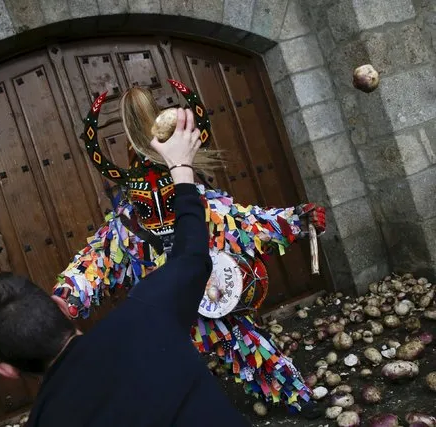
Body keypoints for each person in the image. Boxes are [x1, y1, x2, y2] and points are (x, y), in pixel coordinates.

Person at [52, 81, 326, 418]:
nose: (157, 202)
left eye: (166, 194)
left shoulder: (202, 207)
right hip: (161, 321)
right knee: (151, 378)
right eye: (147, 200)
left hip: (214, 306)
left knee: (251, 347)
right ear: (131, 195)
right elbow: (92, 266)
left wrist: (297, 219)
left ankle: (296, 398)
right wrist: (66, 297)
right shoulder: (124, 229)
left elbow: (249, 222)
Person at [0, 108, 252, 426]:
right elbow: (190, 257)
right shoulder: (149, 310)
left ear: (6, 371)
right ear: (63, 306)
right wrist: (181, 168)